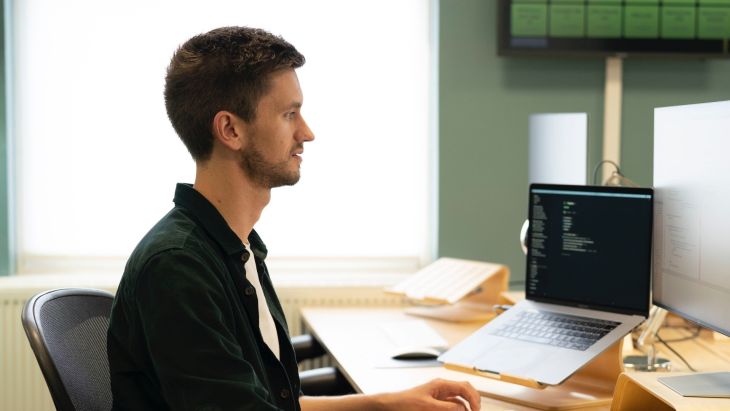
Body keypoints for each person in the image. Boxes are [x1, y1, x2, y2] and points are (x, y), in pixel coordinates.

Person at [107, 26, 480, 411]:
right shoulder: (177, 267)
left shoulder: (236, 247)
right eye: (290, 114)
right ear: (230, 129)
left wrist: (389, 403)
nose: (307, 133)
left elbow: (271, 404)